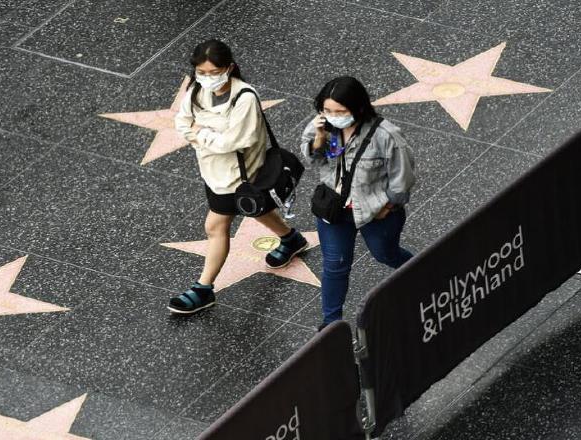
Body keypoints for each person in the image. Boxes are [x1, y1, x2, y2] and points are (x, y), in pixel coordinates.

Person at [168, 39, 308, 314]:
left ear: (229, 68)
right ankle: (291, 239)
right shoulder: (196, 90)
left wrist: (199, 133)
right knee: (254, 209)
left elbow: (230, 142)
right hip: (212, 172)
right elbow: (182, 122)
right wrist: (205, 134)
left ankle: (204, 288)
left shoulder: (244, 98)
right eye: (202, 72)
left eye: (213, 72)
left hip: (236, 177)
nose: (207, 78)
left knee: (215, 227)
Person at [301, 76, 416, 330]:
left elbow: (403, 176)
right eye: (327, 110)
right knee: (334, 266)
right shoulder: (321, 126)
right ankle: (331, 324)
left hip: (375, 213)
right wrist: (319, 138)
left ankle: (419, 271)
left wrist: (389, 206)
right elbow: (314, 162)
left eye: (340, 111)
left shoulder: (386, 135)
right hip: (334, 210)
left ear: (359, 107)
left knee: (385, 254)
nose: (333, 116)